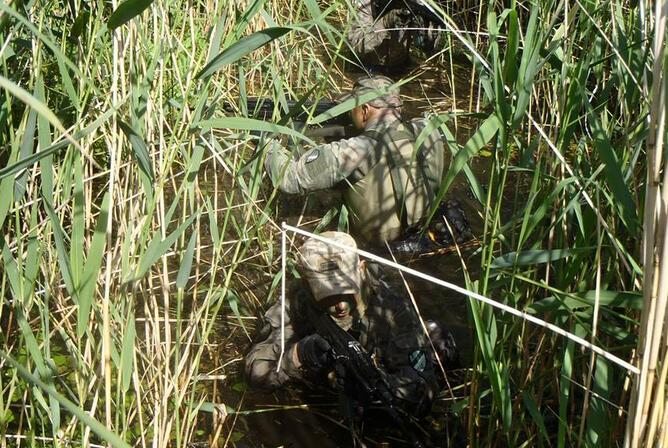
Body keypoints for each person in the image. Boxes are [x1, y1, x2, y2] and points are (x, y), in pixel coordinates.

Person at [245, 231, 453, 420]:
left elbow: (424, 389)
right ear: (308, 285)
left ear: (361, 269)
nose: (341, 306)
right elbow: (258, 372)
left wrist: (378, 389)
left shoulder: (390, 307)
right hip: (330, 385)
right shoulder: (298, 302)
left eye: (346, 292)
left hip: (383, 371)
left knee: (438, 337)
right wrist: (299, 353)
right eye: (328, 296)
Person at [264, 75, 468, 248]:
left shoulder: (353, 151)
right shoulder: (430, 131)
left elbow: (288, 180)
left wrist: (266, 143)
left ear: (364, 109)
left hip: (381, 252)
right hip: (430, 239)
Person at [347, 0, 444, 69]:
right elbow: (357, 44)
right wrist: (385, 22)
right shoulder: (365, 3)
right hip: (365, 69)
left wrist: (427, 33)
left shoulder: (417, 3)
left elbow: (427, 48)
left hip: (401, 68)